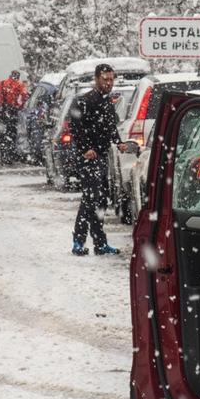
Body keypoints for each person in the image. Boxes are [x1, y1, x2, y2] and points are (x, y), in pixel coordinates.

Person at [67, 63, 135, 256]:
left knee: (101, 200)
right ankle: (79, 241)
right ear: (96, 79)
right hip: (88, 158)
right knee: (90, 199)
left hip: (102, 156)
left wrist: (119, 143)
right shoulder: (84, 101)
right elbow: (76, 127)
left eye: (111, 79)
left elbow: (110, 126)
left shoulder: (107, 102)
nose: (108, 83)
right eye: (105, 79)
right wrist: (85, 149)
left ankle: (100, 243)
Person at [0, 70, 29, 164]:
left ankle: (4, 157)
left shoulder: (1, 83)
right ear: (17, 77)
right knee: (12, 134)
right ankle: (12, 156)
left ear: (10, 76)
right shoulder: (19, 85)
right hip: (12, 110)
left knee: (3, 134)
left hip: (1, 111)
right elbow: (25, 95)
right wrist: (20, 106)